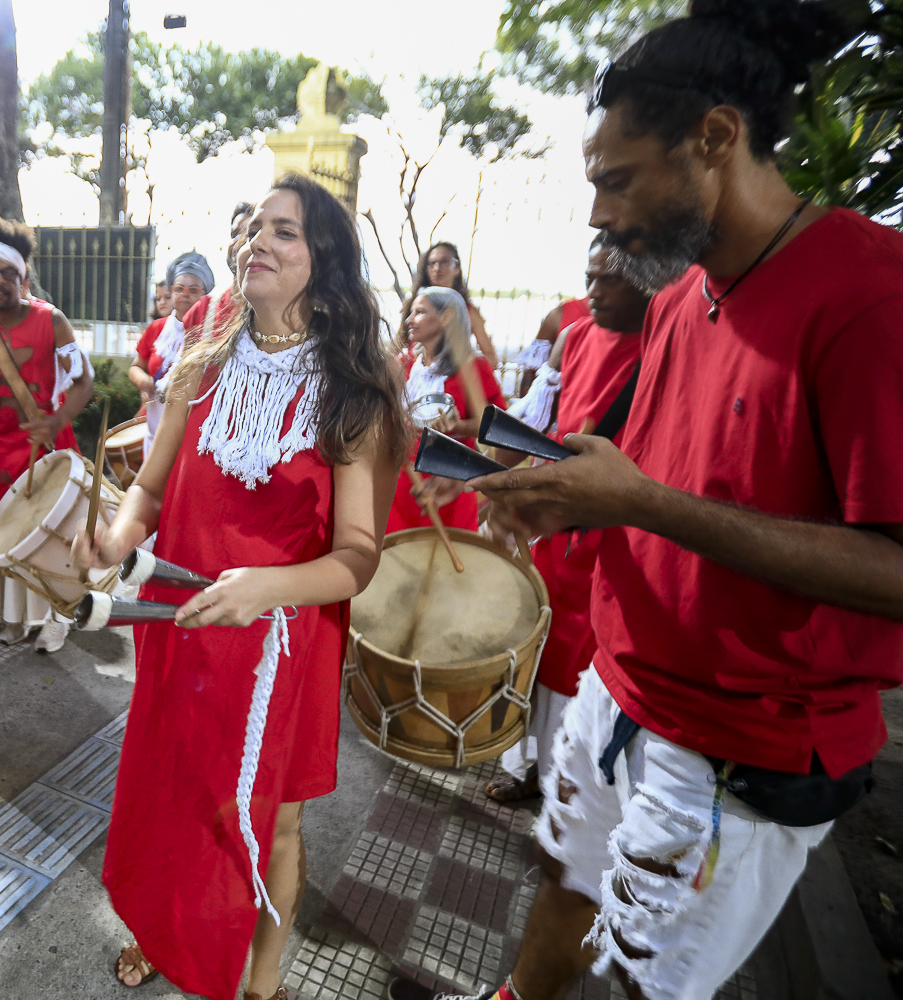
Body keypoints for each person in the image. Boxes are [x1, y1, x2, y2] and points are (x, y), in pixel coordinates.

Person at [430, 3, 903, 999]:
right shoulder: (684, 298)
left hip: (742, 747)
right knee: (564, 877)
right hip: (625, 685)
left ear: (716, 139)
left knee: (645, 978)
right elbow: (648, 477)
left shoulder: (871, 293)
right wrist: (551, 496)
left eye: (615, 179)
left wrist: (641, 503)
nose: (598, 215)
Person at [76, 173, 406, 1000]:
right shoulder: (207, 341)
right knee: (176, 790)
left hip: (282, 642)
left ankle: (262, 980)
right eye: (255, 226)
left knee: (273, 821)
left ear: (323, 265)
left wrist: (268, 588)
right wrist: (111, 539)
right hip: (183, 620)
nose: (258, 240)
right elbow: (148, 490)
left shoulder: (354, 388)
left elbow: (358, 555)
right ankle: (167, 930)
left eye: (284, 232)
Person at [479, 234, 651, 804]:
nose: (592, 292)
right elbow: (535, 420)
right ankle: (529, 764)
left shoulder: (665, 345)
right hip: (557, 528)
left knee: (584, 661)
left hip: (617, 534)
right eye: (589, 277)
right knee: (543, 646)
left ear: (648, 282)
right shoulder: (573, 338)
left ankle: (567, 784)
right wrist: (492, 482)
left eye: (609, 280)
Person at [0, 218, 94, 652]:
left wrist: (53, 421)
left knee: (53, 535)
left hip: (47, 446)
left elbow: (84, 382)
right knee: (0, 533)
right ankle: (9, 619)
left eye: (6, 273)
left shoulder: (52, 321)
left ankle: (55, 617)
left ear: (22, 276)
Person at [388, 286, 506, 533]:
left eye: (419, 312)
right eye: (411, 312)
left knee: (447, 560)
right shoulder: (405, 364)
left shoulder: (473, 368)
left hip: (448, 480)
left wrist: (458, 426)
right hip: (403, 483)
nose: (409, 320)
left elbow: (495, 427)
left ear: (446, 317)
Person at [129, 252, 212, 456]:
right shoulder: (156, 329)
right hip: (155, 433)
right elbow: (135, 367)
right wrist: (144, 381)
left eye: (193, 290)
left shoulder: (213, 333)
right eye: (178, 288)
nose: (184, 294)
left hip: (194, 439)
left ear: (205, 295)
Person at [413, 242, 500, 367]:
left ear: (457, 268)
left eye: (444, 262)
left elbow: (492, 359)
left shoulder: (468, 310)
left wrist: (463, 363)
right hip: (413, 375)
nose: (437, 268)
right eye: (431, 263)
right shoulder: (414, 307)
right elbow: (395, 348)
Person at [181, 200, 255, 340]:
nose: (238, 242)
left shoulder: (276, 314)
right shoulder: (202, 311)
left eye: (249, 235)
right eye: (234, 234)